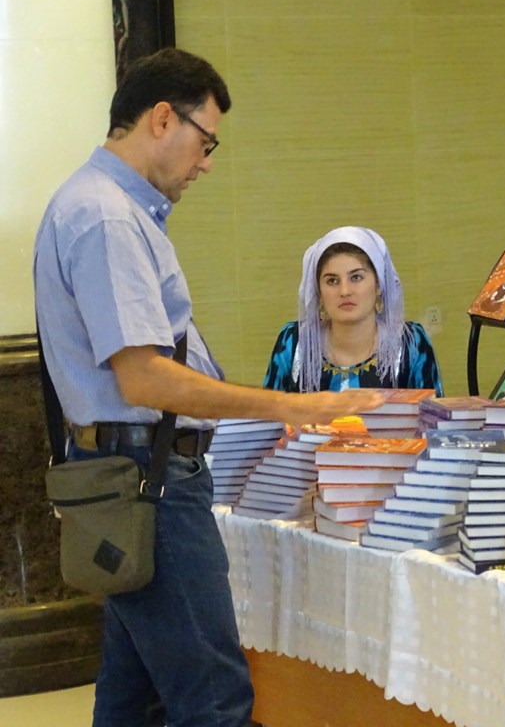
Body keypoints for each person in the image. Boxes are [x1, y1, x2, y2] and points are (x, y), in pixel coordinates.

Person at [33, 48, 382, 727]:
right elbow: (144, 375)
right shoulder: (108, 217)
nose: (207, 161)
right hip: (149, 479)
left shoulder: (97, 203)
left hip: (129, 471)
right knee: (213, 701)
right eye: (206, 140)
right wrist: (294, 406)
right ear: (163, 118)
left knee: (135, 695)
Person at [264, 226, 443, 395]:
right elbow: (268, 417)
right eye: (332, 281)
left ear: (379, 284)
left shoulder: (410, 343)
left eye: (356, 277)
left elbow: (435, 421)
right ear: (318, 291)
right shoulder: (295, 342)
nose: (345, 291)